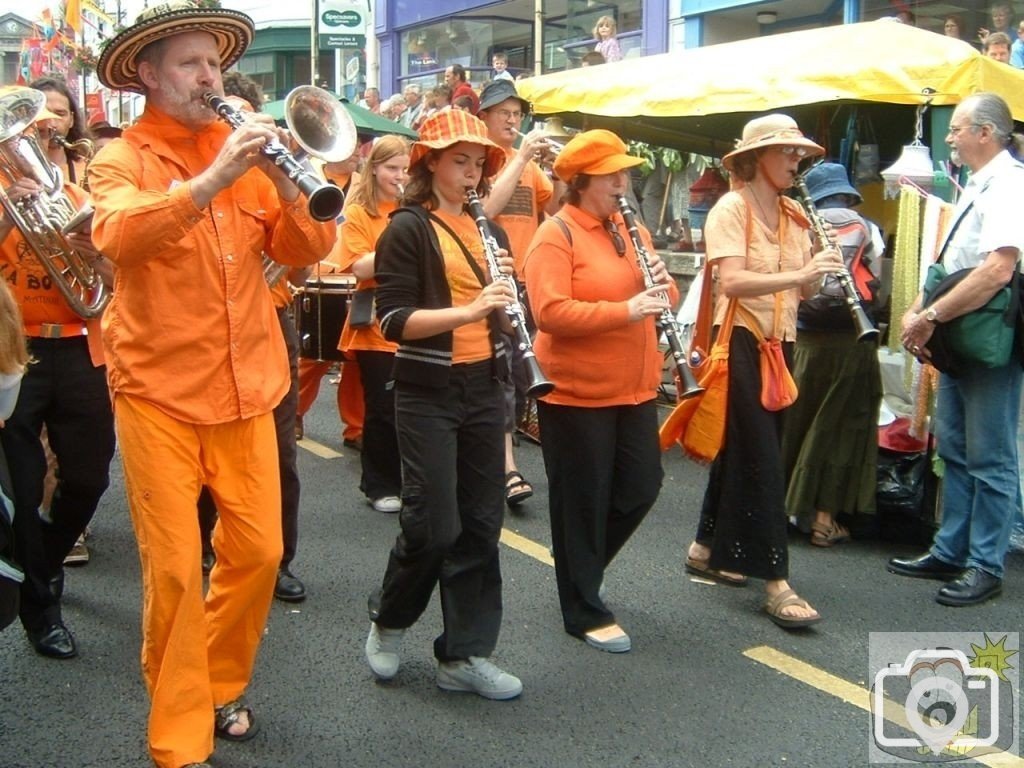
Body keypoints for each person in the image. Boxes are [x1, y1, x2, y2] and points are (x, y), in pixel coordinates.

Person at [89, 2, 337, 766]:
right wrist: (214, 176)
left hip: (247, 388)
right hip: (158, 391)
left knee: (260, 554)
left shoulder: (247, 152)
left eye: (214, 64)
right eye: (193, 64)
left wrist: (294, 181)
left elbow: (309, 246)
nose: (211, 77)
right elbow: (117, 236)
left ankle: (219, 680)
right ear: (149, 75)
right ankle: (179, 736)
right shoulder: (120, 158)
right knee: (170, 571)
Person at [364, 109, 522, 701]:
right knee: (433, 526)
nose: (473, 174)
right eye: (461, 161)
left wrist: (507, 304)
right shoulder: (406, 228)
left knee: (482, 525)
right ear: (430, 163)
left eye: (479, 163)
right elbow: (394, 320)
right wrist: (472, 309)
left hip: (484, 384)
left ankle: (465, 654)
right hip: (426, 389)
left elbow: (503, 317)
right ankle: (389, 619)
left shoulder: (492, 231)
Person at [683, 114, 844, 629]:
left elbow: (805, 293)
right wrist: (801, 272)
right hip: (742, 342)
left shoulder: (796, 214)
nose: (797, 161)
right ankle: (776, 581)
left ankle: (705, 548)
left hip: (782, 343)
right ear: (757, 159)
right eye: (787, 152)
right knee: (764, 456)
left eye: (799, 154)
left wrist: (822, 267)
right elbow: (732, 282)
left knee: (747, 447)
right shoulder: (730, 209)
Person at [523, 129, 677, 653]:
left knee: (640, 487)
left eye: (625, 173)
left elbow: (662, 295)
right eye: (613, 174)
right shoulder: (556, 234)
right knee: (582, 503)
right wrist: (624, 311)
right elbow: (549, 313)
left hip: (634, 388)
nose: (623, 182)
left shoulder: (627, 228)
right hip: (575, 391)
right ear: (583, 180)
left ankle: (581, 570)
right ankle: (583, 607)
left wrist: (660, 285)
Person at [888, 92, 1024, 607]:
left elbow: (996, 270)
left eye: (957, 128)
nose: (949, 137)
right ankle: (951, 548)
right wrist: (923, 307)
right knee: (959, 448)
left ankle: (985, 563)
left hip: (988, 335)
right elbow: (953, 264)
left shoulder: (1011, 185)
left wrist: (928, 316)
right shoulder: (981, 183)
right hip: (964, 332)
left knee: (990, 455)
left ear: (986, 133)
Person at [0, 87, 115, 659]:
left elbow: (109, 279)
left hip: (79, 350)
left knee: (91, 478)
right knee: (21, 487)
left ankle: (39, 558)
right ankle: (41, 607)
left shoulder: (74, 195)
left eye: (43, 136)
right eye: (23, 138)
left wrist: (96, 254)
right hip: (16, 353)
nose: (34, 144)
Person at [195, 69, 310, 603]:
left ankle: (278, 558)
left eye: (241, 114)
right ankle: (204, 546)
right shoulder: (203, 173)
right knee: (203, 450)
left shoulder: (275, 172)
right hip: (207, 327)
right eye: (225, 114)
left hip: (270, 322)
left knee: (279, 451)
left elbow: (305, 266)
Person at [781, 162, 883, 547]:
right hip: (853, 341)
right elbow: (878, 284)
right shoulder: (867, 227)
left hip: (805, 341)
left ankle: (782, 510)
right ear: (847, 193)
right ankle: (825, 522)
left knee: (795, 423)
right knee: (840, 430)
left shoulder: (797, 223)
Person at [477, 78, 561, 508]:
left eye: (517, 114)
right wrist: (524, 155)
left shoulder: (529, 164)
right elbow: (487, 210)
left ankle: (505, 454)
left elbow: (557, 207)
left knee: (521, 369)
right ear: (484, 117)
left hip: (527, 278)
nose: (513, 120)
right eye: (503, 113)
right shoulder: (482, 160)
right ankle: (507, 465)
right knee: (502, 374)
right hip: (490, 280)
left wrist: (561, 171)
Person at [336, 135, 410, 513]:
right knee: (382, 410)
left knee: (414, 408)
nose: (399, 176)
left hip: (416, 318)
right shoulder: (360, 211)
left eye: (404, 169)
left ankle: (412, 481)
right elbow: (359, 265)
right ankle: (379, 485)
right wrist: (404, 240)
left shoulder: (413, 205)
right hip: (377, 324)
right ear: (375, 169)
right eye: (391, 169)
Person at [29, 76, 92, 187]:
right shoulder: (9, 173)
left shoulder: (91, 169)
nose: (52, 123)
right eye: (43, 113)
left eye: (60, 114)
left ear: (72, 120)